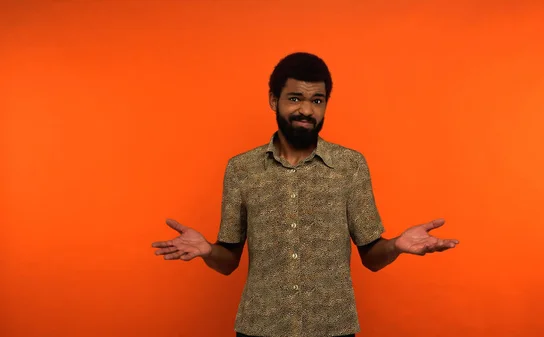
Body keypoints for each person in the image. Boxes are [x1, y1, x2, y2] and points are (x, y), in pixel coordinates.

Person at [151, 52, 459, 337]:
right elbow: (228, 260)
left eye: (317, 100)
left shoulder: (350, 165)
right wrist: (207, 250)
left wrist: (396, 246)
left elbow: (372, 258)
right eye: (295, 98)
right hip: (260, 328)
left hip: (333, 329)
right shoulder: (241, 169)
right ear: (274, 100)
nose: (306, 110)